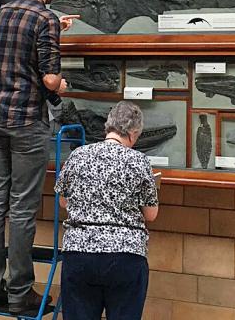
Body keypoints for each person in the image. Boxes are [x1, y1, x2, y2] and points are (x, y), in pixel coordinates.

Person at [0, 0, 77, 318]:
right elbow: (49, 79)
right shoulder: (45, 18)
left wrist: (54, 30)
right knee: (21, 207)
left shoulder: (3, 12)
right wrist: (62, 84)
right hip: (26, 122)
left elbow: (17, 52)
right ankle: (20, 292)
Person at [55, 100, 160, 320]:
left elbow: (63, 202)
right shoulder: (139, 161)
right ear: (132, 133)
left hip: (79, 252)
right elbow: (151, 214)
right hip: (125, 255)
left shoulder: (78, 156)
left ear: (108, 126)